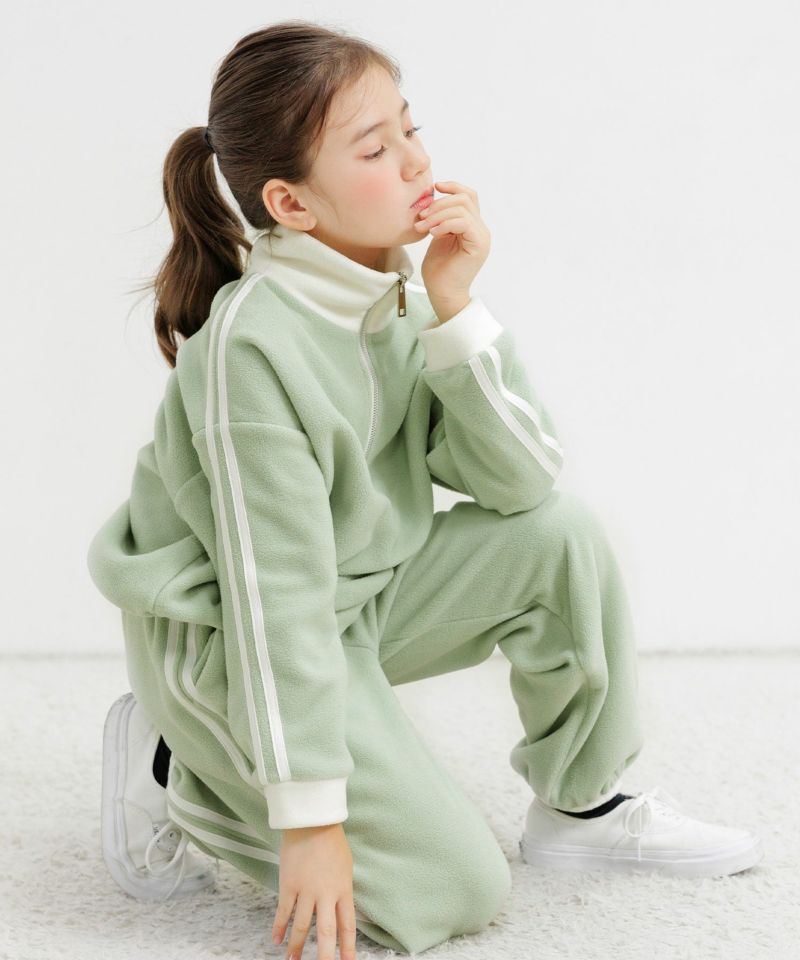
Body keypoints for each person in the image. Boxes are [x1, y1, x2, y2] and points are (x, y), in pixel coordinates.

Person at [86, 18, 763, 960]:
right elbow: (274, 596)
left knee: (562, 534)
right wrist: (309, 821)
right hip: (234, 643)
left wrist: (456, 308)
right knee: (454, 889)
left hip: (361, 599)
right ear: (290, 203)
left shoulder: (395, 295)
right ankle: (184, 771)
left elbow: (522, 483)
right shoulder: (250, 352)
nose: (416, 162)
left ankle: (583, 809)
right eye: (375, 148)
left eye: (411, 128)